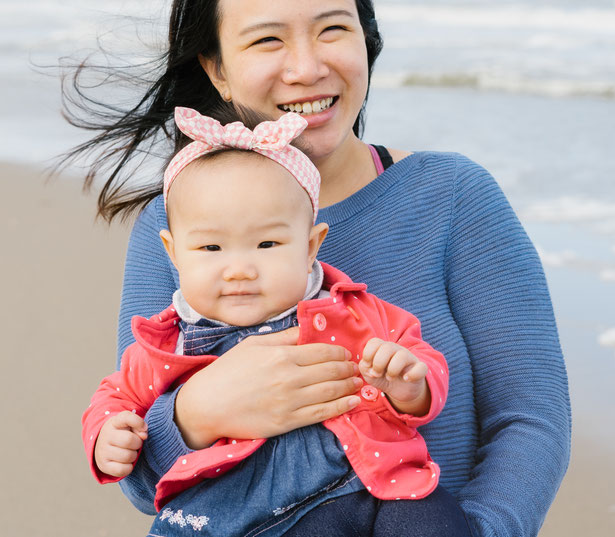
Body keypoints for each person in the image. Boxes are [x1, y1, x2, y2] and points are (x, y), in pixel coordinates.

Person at [63, 0, 571, 537]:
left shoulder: (451, 197)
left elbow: (531, 421)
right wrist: (197, 412)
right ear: (216, 68)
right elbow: (141, 476)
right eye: (268, 39)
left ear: (367, 40)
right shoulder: (175, 228)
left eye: (334, 29)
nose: (307, 68)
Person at [83, 106, 471, 536]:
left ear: (310, 246)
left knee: (434, 519)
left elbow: (418, 355)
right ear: (173, 253)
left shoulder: (351, 312)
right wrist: (107, 436)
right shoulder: (164, 345)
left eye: (267, 243)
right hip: (238, 517)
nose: (239, 270)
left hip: (374, 486)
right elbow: (115, 397)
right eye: (211, 248)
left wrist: (409, 387)